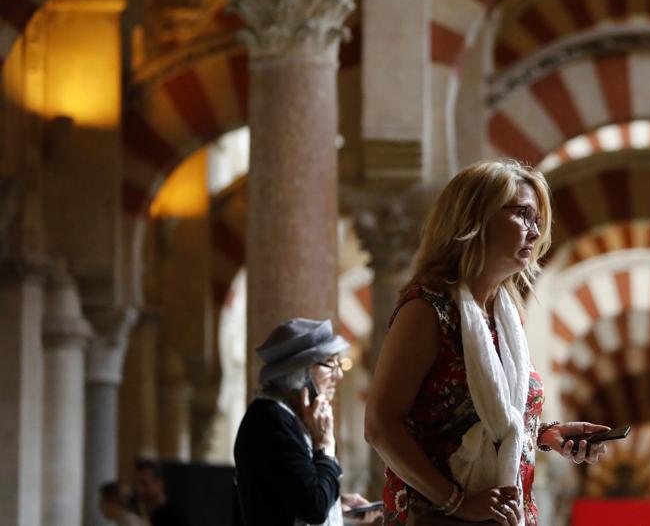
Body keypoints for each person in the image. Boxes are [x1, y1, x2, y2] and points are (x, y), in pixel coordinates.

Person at [366, 159, 610, 526]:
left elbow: (487, 421)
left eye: (538, 220)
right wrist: (457, 503)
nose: (535, 231)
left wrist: (547, 435)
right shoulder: (428, 310)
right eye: (522, 214)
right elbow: (380, 425)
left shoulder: (506, 315)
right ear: (474, 219)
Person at [234, 318, 382, 525]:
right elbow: (314, 508)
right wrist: (325, 446)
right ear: (301, 373)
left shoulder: (284, 416)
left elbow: (292, 493)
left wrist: (336, 504)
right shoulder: (271, 420)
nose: (339, 374)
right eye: (330, 363)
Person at [132, 460, 187, 526]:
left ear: (159, 483)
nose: (139, 489)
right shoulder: (138, 514)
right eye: (136, 484)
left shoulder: (175, 518)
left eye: (144, 483)